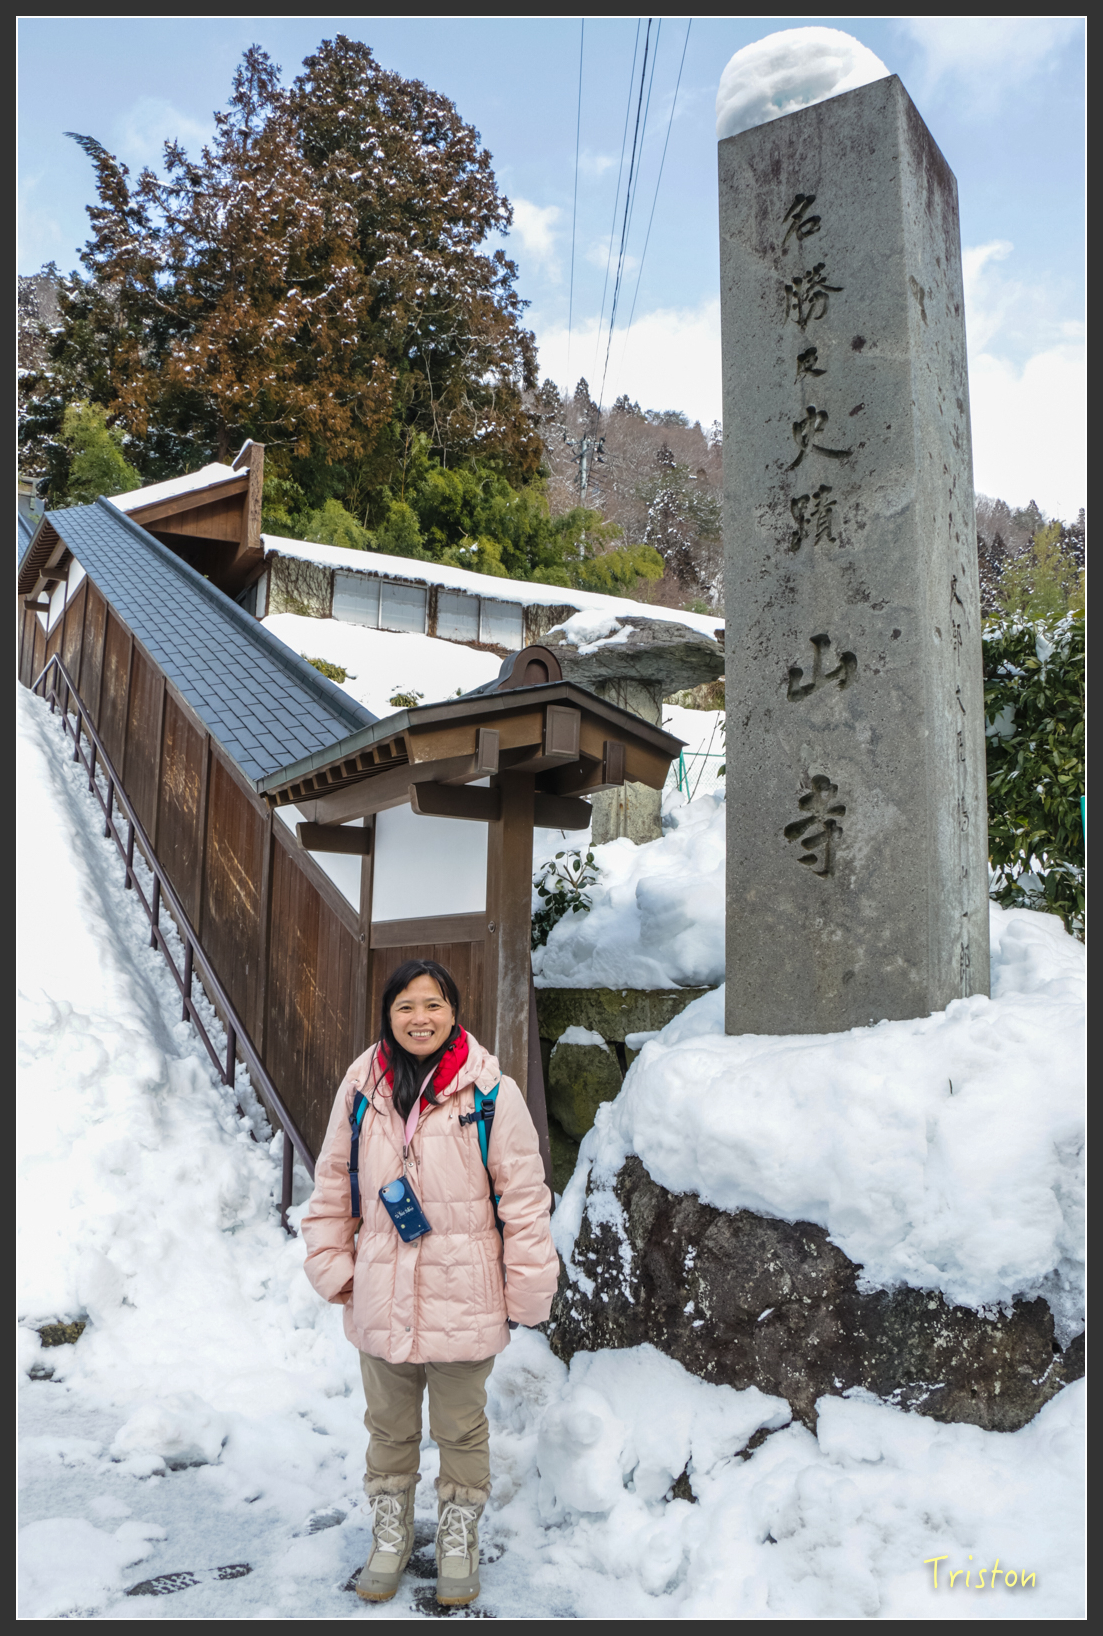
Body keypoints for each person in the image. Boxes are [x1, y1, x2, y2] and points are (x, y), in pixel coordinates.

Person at [301, 958, 558, 1608]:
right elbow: (332, 1185)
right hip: (382, 1295)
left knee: (461, 1432)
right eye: (405, 1007)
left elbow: (524, 1200)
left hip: (464, 1298)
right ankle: (389, 1538)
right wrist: (333, 1267)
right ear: (388, 1016)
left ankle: (456, 1541)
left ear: (453, 1012)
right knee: (388, 1429)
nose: (420, 1018)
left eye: (433, 1005)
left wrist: (527, 1289)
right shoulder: (362, 1089)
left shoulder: (490, 1092)